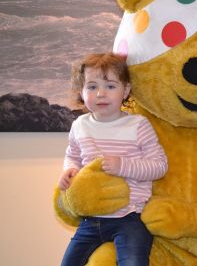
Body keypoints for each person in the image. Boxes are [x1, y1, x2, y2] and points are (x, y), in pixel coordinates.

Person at [58, 52, 168, 266]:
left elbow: (159, 166)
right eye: (92, 87)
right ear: (81, 91)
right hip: (91, 218)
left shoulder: (138, 125)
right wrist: (69, 171)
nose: (100, 94)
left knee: (133, 263)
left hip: (130, 218)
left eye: (110, 86)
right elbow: (72, 156)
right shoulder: (79, 125)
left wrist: (123, 166)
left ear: (125, 90)